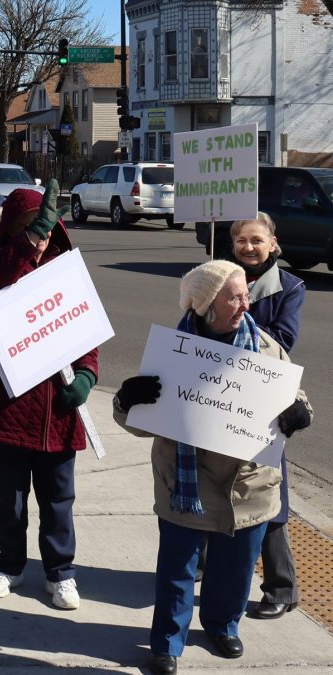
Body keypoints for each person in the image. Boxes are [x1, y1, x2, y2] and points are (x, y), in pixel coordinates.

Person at [112, 259, 312, 675]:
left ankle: (223, 625)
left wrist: (299, 411)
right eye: (235, 297)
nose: (246, 303)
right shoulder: (175, 352)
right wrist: (128, 401)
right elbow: (140, 424)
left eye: (246, 295)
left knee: (235, 570)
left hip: (249, 486)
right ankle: (167, 642)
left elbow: (297, 397)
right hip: (186, 481)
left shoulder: (267, 348)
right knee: (177, 570)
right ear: (206, 305)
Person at [0, 182, 96, 611]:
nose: (38, 237)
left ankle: (61, 573)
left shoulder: (67, 270)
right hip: (7, 406)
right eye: (27, 227)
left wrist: (87, 375)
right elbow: (4, 282)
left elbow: (85, 331)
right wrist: (27, 246)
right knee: (10, 499)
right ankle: (9, 564)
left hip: (56, 410)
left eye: (43, 227)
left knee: (59, 500)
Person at [227, 213, 306, 620]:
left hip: (266, 402)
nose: (249, 247)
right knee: (214, 481)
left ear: (273, 243)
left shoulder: (290, 287)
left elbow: (285, 339)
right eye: (241, 240)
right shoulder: (215, 277)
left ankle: (282, 587)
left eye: (257, 239)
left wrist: (233, 319)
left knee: (268, 494)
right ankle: (207, 565)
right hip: (218, 396)